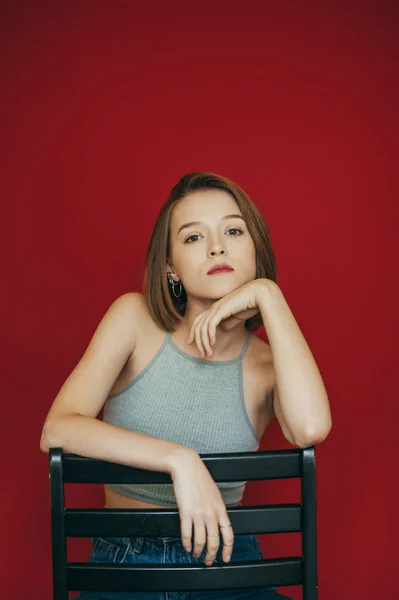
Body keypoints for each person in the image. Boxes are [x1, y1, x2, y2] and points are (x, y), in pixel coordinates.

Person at [40, 171, 332, 599]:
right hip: (127, 566)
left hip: (229, 565)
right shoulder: (133, 319)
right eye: (194, 237)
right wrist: (180, 461)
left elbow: (310, 429)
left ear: (256, 252)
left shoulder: (271, 364)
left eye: (234, 230)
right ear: (171, 267)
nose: (217, 246)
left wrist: (269, 295)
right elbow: (58, 428)